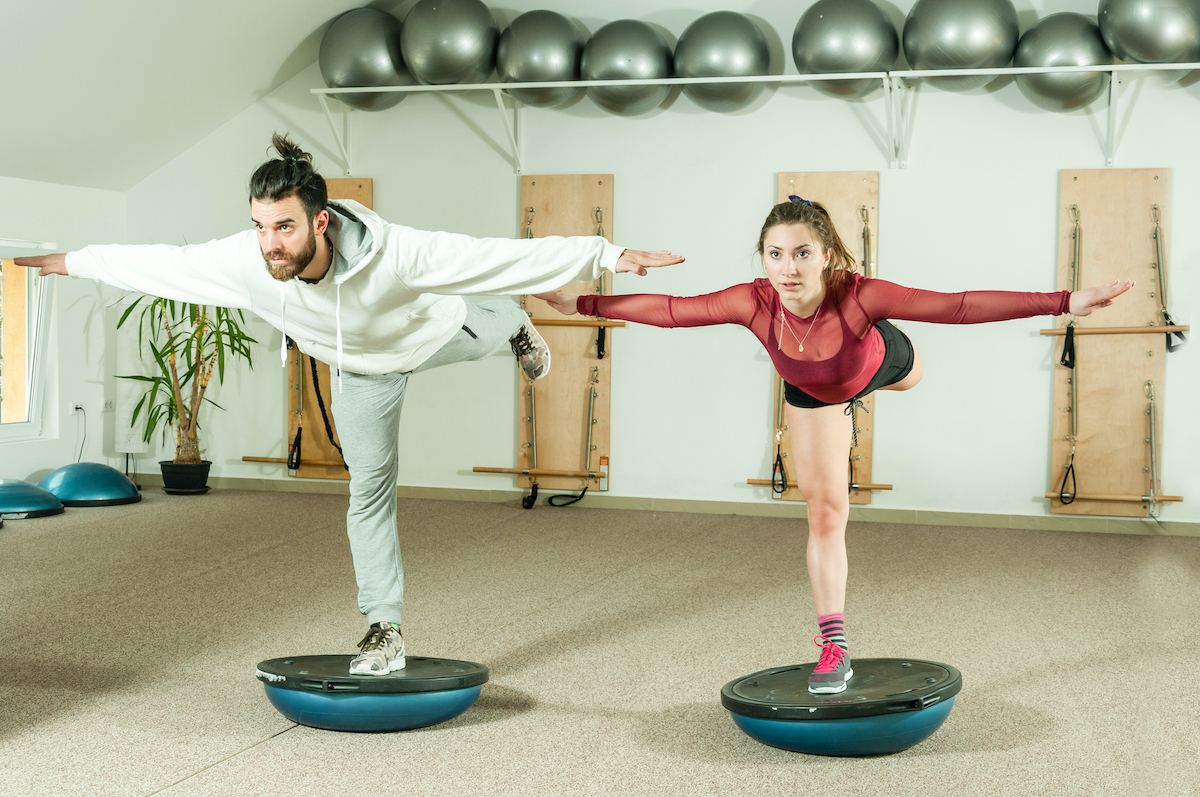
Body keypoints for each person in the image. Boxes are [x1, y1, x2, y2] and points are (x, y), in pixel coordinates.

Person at [16, 133, 683, 676]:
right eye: (260, 227)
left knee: (490, 313)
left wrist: (607, 252)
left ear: (320, 220)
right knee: (368, 490)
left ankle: (513, 324)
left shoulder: (399, 255)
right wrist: (74, 261)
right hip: (362, 369)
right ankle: (384, 628)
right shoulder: (248, 261)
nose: (270, 243)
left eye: (283, 227)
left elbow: (490, 255)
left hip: (433, 332)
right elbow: (168, 264)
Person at [535, 196, 1132, 695]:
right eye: (775, 254)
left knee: (912, 376)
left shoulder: (860, 295)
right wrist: (579, 302)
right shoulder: (752, 301)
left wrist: (1066, 302)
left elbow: (959, 307)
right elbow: (670, 311)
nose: (788, 268)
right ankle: (834, 646)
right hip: (813, 392)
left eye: (801, 253)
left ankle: (871, 383)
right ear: (763, 258)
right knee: (824, 512)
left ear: (827, 255)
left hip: (883, 360)